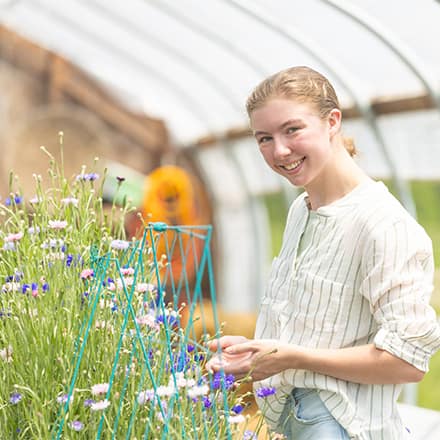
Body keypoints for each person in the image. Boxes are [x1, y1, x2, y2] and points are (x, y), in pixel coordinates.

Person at [206, 66, 440, 439]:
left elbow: (406, 362)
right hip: (294, 418)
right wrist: (257, 351)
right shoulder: (302, 208)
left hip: (343, 425)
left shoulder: (383, 224)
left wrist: (293, 358)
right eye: (264, 138)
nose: (279, 150)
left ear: (332, 121)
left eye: (292, 129)